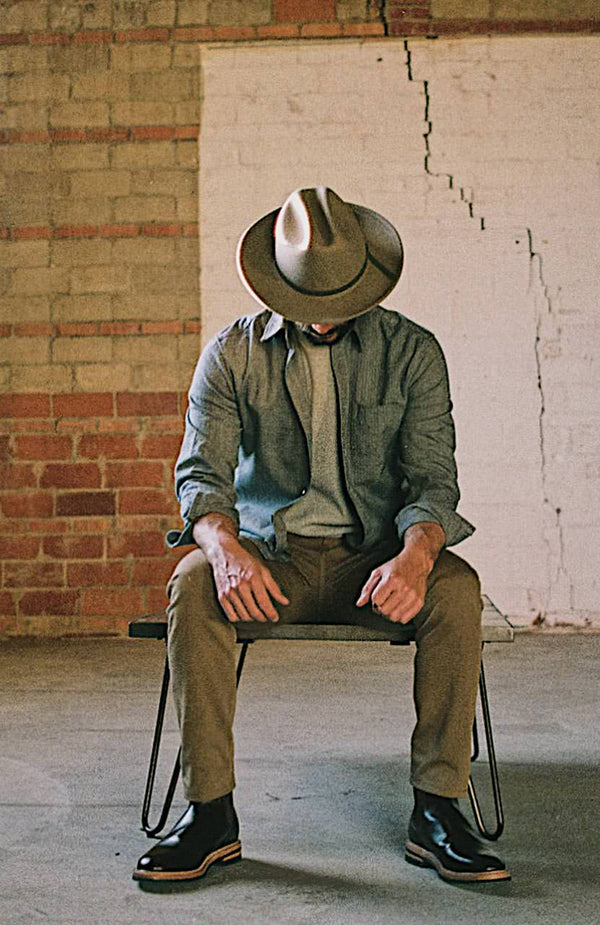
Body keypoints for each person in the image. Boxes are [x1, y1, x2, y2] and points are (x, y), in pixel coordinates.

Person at [133, 187, 510, 885]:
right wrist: (223, 548)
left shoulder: (413, 352)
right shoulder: (232, 353)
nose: (326, 320)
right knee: (191, 582)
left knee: (458, 590)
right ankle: (210, 812)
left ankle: (438, 809)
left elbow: (433, 479)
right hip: (271, 561)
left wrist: (419, 554)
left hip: (376, 559)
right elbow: (200, 476)